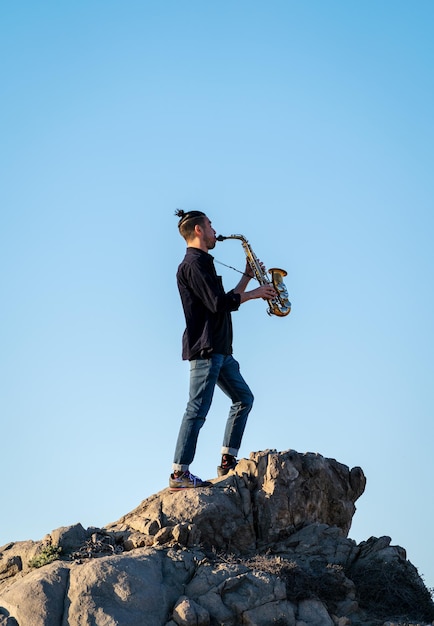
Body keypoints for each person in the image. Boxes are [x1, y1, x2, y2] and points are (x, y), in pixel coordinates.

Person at [170, 209, 277, 491]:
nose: (215, 230)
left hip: (219, 348)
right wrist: (255, 293)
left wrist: (246, 278)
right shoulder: (193, 264)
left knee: (244, 398)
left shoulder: (203, 263)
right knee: (197, 409)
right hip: (206, 349)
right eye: (210, 225)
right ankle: (179, 473)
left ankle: (228, 461)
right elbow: (219, 304)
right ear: (198, 230)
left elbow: (221, 302)